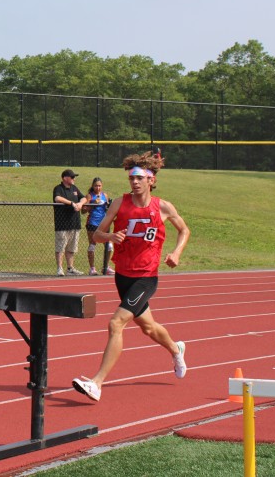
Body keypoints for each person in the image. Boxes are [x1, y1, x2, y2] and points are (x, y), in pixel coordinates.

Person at [71, 151, 190, 403]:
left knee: (116, 323)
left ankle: (96, 383)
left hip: (146, 277)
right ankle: (176, 348)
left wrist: (176, 253)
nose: (134, 182)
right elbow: (97, 235)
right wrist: (110, 237)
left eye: (139, 178)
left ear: (151, 180)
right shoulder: (119, 203)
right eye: (131, 178)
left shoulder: (163, 207)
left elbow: (184, 230)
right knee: (148, 327)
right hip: (123, 275)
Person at [52, 169, 86, 275]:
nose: (74, 179)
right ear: (65, 178)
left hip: (74, 223)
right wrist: (71, 203)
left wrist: (80, 204)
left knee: (72, 248)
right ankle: (59, 268)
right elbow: (57, 198)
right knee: (60, 247)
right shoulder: (58, 188)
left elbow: (84, 198)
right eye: (72, 177)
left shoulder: (74, 188)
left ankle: (70, 268)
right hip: (62, 224)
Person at [82, 177, 114, 275]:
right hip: (92, 223)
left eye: (99, 186)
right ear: (93, 186)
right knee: (92, 245)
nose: (98, 188)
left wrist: (108, 205)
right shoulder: (89, 196)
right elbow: (83, 211)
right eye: (96, 186)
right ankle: (92, 268)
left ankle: (106, 267)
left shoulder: (104, 195)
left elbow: (108, 209)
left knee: (109, 246)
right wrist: (93, 204)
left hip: (104, 223)